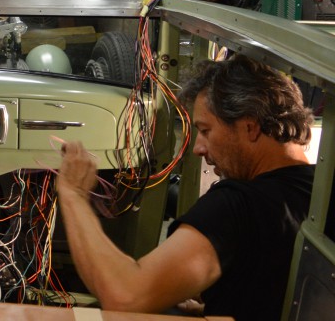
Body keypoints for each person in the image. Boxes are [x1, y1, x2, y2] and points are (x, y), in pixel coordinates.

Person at [56, 54, 314, 321]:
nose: (198, 148)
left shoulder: (237, 205)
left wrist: (73, 194)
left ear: (249, 126)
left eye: (205, 130)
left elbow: (125, 296)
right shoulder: (319, 192)